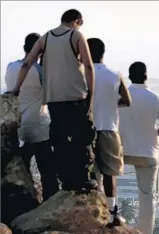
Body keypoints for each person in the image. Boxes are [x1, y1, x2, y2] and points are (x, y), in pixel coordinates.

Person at [7, 9, 97, 192]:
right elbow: (88, 65)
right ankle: (81, 180)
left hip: (52, 102)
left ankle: (66, 182)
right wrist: (91, 92)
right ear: (78, 20)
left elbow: (26, 64)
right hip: (74, 97)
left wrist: (16, 89)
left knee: (60, 142)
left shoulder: (45, 38)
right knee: (81, 139)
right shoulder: (76, 35)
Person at [119, 62, 159, 234]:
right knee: (147, 196)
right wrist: (150, 133)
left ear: (130, 77)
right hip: (148, 152)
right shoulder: (156, 98)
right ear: (146, 76)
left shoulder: (121, 96)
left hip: (121, 150)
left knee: (105, 181)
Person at [5, 33, 59, 201]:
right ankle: (49, 201)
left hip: (19, 125)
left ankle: (26, 199)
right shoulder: (40, 70)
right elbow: (51, 94)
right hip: (39, 124)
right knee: (47, 169)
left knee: (25, 166)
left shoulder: (11, 66)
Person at [87, 38, 132, 224]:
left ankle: (94, 211)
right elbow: (127, 100)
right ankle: (112, 211)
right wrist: (110, 104)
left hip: (87, 128)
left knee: (90, 173)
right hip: (109, 127)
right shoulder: (115, 74)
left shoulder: (82, 74)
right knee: (109, 173)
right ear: (103, 53)